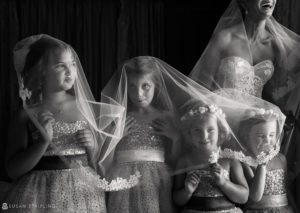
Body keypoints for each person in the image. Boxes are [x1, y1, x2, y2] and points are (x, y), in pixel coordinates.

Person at [4, 34, 125, 212]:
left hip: (82, 193)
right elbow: (12, 170)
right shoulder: (26, 115)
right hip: (39, 194)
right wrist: (42, 143)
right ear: (40, 70)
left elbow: (100, 165)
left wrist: (92, 147)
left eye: (73, 64)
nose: (70, 71)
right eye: (61, 65)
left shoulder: (86, 109)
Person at [104, 56, 184, 213]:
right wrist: (115, 137)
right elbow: (106, 161)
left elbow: (175, 162)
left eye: (145, 86)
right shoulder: (119, 118)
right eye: (132, 86)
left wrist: (176, 138)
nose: (138, 94)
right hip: (124, 181)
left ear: (156, 85)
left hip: (156, 180)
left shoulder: (165, 117)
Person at [189, 0, 300, 114]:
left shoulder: (276, 46)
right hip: (222, 117)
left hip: (255, 121)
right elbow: (200, 87)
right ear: (243, 3)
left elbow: (282, 89)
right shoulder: (225, 39)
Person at [173, 102, 249, 213]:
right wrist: (187, 191)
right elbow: (177, 200)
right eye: (197, 130)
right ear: (189, 133)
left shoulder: (230, 161)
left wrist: (224, 183)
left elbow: (243, 197)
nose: (204, 136)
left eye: (211, 130)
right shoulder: (185, 161)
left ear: (220, 131)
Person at [238, 107, 294, 212]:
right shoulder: (245, 162)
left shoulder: (281, 159)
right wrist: (262, 165)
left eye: (271, 135)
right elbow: (255, 197)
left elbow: (286, 190)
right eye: (261, 136)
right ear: (247, 136)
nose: (267, 140)